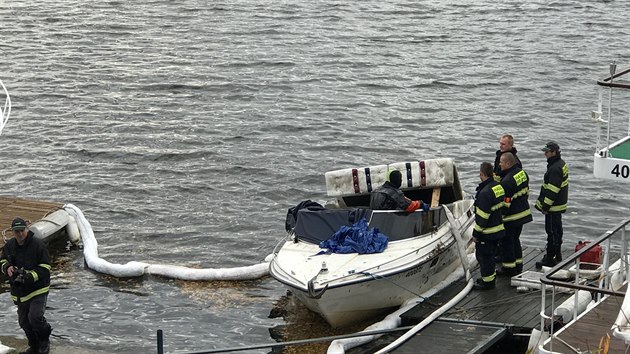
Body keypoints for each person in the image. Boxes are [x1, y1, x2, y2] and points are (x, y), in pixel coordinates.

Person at [0, 218, 52, 354]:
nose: (20, 234)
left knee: (35, 317)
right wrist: (7, 268)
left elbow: (46, 268)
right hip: (20, 291)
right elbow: (2, 260)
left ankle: (44, 341)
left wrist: (30, 276)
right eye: (17, 232)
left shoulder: (38, 245)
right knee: (24, 322)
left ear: (27, 229)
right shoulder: (9, 246)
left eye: (22, 230)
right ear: (12, 232)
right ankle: (34, 346)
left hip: (38, 288)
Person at [496, 152, 533, 276]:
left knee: (507, 242)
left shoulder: (506, 182)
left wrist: (500, 217)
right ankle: (519, 265)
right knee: (516, 240)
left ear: (508, 163)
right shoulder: (522, 173)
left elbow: (506, 204)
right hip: (523, 212)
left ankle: (509, 269)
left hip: (512, 217)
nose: (499, 164)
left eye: (501, 162)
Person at [472, 162, 506, 290]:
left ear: (482, 174)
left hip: (487, 232)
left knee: (484, 257)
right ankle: (489, 279)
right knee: (490, 256)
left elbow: (482, 218)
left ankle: (488, 283)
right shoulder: (498, 187)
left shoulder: (484, 193)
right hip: (498, 228)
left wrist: (476, 234)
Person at [535, 141, 569, 268]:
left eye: (547, 152)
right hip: (559, 205)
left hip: (553, 207)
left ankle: (550, 258)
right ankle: (557, 254)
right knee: (557, 230)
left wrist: (545, 207)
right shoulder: (560, 164)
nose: (545, 154)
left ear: (554, 152)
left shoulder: (555, 168)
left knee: (552, 232)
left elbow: (552, 190)